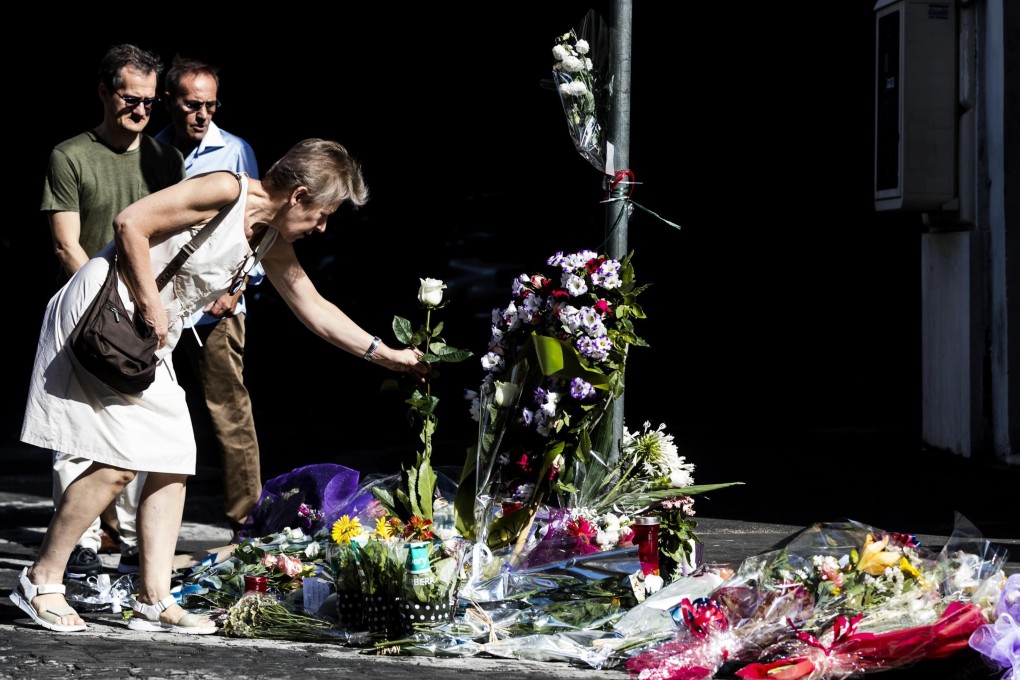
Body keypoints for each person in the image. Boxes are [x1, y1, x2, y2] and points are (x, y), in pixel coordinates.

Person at [14, 138, 428, 634]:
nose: (323, 227)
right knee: (120, 462)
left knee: (172, 458)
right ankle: (42, 579)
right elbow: (131, 223)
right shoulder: (225, 189)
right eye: (323, 213)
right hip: (108, 319)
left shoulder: (269, 238)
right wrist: (150, 305)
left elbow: (313, 307)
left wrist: (388, 356)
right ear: (297, 195)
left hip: (146, 337)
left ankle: (154, 597)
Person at [39, 43, 185, 579]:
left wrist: (151, 305)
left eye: (150, 101)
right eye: (130, 98)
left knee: (138, 432)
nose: (141, 110)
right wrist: (106, 305)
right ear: (104, 93)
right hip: (87, 310)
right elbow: (65, 243)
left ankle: (123, 542)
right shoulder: (70, 155)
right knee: (79, 432)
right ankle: (76, 546)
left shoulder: (166, 161)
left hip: (147, 311)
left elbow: (172, 238)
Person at [154, 55, 263, 533]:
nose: (203, 115)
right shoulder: (151, 151)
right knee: (150, 411)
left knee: (229, 411)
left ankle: (248, 520)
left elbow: (259, 227)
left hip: (218, 305)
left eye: (211, 106)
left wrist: (234, 290)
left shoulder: (234, 151)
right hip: (161, 302)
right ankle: (133, 525)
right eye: (193, 105)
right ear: (168, 102)